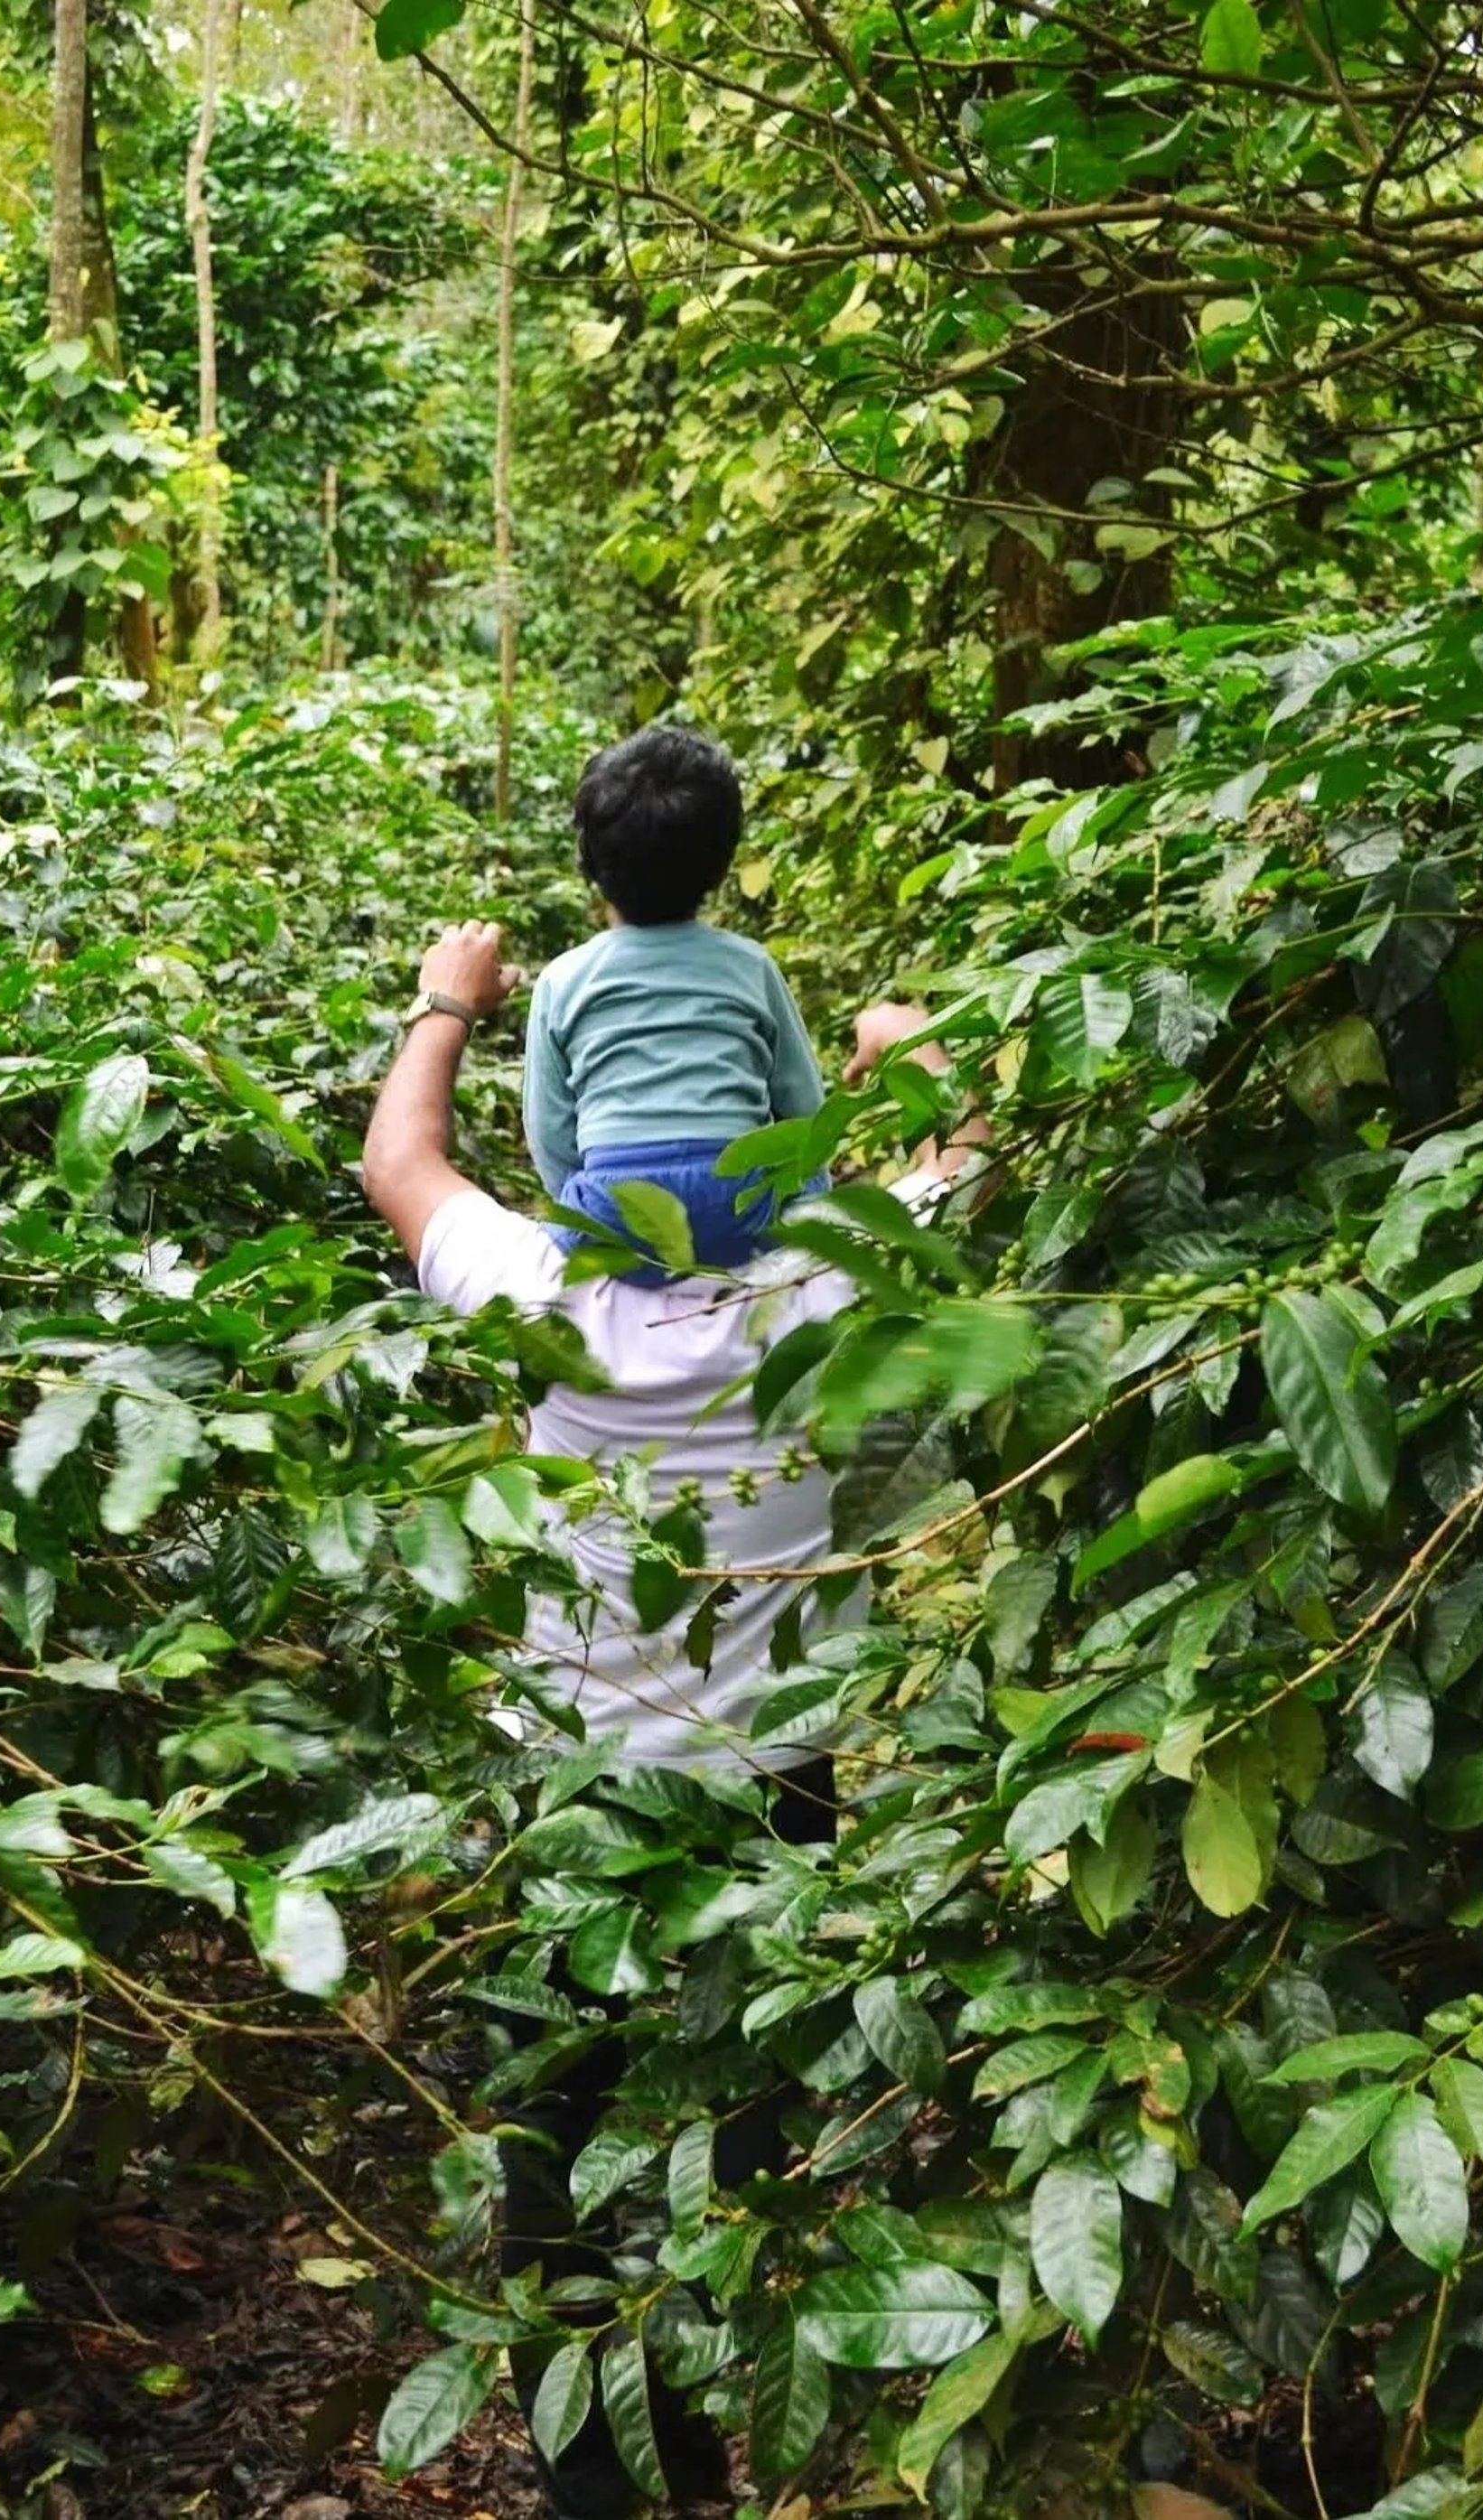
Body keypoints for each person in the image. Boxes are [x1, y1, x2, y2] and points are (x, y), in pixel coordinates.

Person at [362, 925, 980, 2518]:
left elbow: (402, 1159)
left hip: (574, 1778)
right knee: (748, 2117)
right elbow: (968, 1141)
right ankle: (709, 2421)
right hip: (774, 1786)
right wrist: (887, 1037)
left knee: (552, 2129)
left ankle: (590, 2470)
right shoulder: (825, 1277)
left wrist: (452, 997)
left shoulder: (536, 1281)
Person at [522, 726, 825, 1275]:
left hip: (620, 1218)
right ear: (722, 863)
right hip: (742, 1209)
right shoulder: (750, 966)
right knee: (810, 1182)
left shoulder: (563, 980)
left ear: (591, 863)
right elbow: (804, 1108)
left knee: (560, 1207)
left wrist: (588, 1203)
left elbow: (551, 1137)